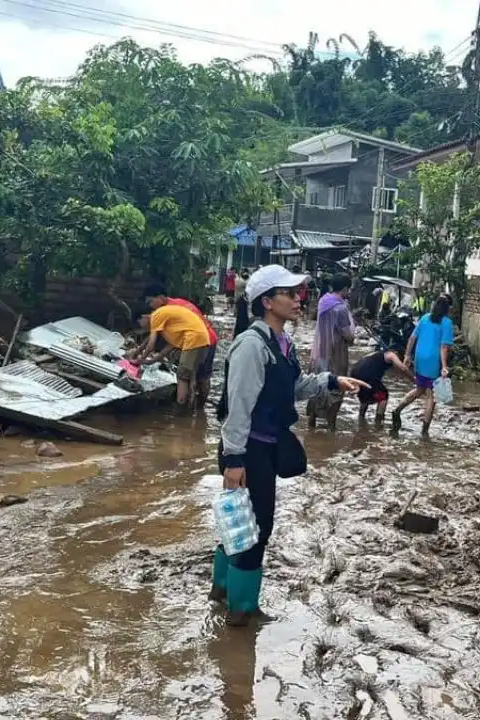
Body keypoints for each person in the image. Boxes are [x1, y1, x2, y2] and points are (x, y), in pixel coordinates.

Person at [212, 265, 368, 626]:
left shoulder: (279, 343)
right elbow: (238, 407)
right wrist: (235, 461)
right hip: (248, 451)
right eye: (289, 293)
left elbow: (293, 386)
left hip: (262, 447)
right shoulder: (252, 345)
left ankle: (221, 592)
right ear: (267, 301)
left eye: (299, 292)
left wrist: (331, 380)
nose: (299, 299)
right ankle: (241, 613)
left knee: (240, 525)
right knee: (255, 530)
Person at [127, 283, 214, 412]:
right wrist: (150, 360)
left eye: (151, 302)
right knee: (194, 376)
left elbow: (151, 344)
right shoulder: (170, 315)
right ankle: (198, 411)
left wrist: (139, 360)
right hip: (203, 338)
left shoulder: (158, 314)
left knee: (183, 376)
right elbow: (170, 345)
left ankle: (180, 410)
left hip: (196, 338)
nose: (151, 306)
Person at [393, 294, 454, 437]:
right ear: (448, 309)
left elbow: (413, 337)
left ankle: (398, 409)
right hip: (434, 360)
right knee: (431, 396)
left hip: (420, 358)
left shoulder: (425, 318)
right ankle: (425, 431)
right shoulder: (446, 323)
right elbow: (444, 347)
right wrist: (444, 366)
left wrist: (407, 356)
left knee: (420, 389)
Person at [307, 274, 355, 430]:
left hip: (319, 350)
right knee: (337, 387)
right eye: (349, 289)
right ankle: (331, 426)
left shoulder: (323, 301)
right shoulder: (340, 308)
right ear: (345, 289)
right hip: (336, 353)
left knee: (317, 385)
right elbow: (348, 335)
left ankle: (312, 422)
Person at [350, 343, 412, 425]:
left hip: (355, 372)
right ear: (397, 353)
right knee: (383, 396)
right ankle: (379, 422)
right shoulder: (391, 354)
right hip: (367, 374)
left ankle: (361, 421)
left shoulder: (378, 354)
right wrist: (414, 380)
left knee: (365, 399)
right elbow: (403, 368)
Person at [233, 269, 251, 339]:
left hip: (239, 299)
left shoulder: (237, 279)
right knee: (242, 318)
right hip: (242, 300)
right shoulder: (242, 282)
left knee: (239, 318)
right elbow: (248, 284)